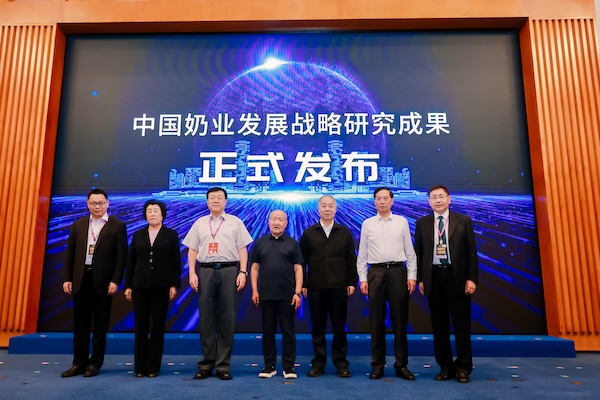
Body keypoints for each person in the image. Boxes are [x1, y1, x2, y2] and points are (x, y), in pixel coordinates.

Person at [182, 187, 253, 380]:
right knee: (206, 319)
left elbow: (243, 249)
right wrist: (192, 273)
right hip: (205, 271)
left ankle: (223, 366)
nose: (216, 200)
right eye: (212, 198)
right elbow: (192, 250)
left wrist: (243, 272)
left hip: (229, 270)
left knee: (227, 318)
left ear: (225, 202)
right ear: (207, 202)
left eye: (219, 198)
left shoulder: (235, 222)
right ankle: (206, 364)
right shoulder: (199, 223)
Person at [415, 185, 478, 384]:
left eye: (441, 196)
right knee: (439, 325)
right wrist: (421, 279)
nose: (438, 200)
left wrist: (471, 278)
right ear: (429, 202)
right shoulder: (422, 223)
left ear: (449, 199)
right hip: (434, 277)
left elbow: (471, 252)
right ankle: (445, 366)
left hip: (456, 277)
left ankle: (463, 368)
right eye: (434, 197)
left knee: (461, 325)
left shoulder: (463, 221)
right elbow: (419, 253)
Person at [61, 188, 128, 378]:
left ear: (107, 203)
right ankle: (79, 363)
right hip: (81, 279)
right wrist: (67, 278)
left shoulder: (117, 226)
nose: (97, 206)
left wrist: (115, 280)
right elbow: (70, 254)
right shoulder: (78, 225)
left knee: (100, 325)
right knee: (80, 325)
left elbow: (121, 257)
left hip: (104, 282)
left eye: (101, 203)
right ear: (88, 204)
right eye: (93, 203)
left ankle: (95, 363)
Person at [356, 186, 417, 380]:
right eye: (378, 199)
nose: (382, 202)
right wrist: (363, 278)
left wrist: (412, 276)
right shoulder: (367, 224)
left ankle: (401, 365)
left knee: (400, 321)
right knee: (376, 321)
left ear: (392, 201)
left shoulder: (401, 221)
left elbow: (410, 251)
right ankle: (377, 365)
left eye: (385, 198)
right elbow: (362, 254)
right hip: (376, 273)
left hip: (398, 271)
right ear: (374, 201)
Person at [299, 195, 357, 378]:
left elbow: (351, 259)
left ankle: (341, 363)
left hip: (339, 286)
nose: (327, 209)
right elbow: (302, 262)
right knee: (318, 327)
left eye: (330, 206)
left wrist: (351, 282)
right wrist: (303, 284)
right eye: (323, 206)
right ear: (318, 209)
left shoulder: (344, 232)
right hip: (315, 287)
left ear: (335, 209)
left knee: (339, 326)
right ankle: (318, 363)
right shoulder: (309, 233)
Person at [124, 200, 181, 378]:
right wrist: (128, 285)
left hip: (161, 286)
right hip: (139, 285)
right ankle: (140, 367)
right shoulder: (138, 234)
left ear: (163, 214)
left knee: (157, 327)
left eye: (156, 210)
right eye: (149, 211)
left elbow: (175, 261)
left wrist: (173, 284)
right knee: (140, 326)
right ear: (145, 214)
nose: (153, 213)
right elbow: (131, 261)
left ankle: (153, 367)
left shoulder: (171, 234)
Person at [250, 210, 303, 380]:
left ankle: (288, 367)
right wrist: (254, 290)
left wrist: (297, 292)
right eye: (274, 219)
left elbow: (298, 269)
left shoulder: (293, 243)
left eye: (280, 220)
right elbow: (254, 268)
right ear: (268, 221)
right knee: (268, 332)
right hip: (266, 294)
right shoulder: (260, 243)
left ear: (286, 223)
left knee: (288, 332)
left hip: (288, 295)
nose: (277, 222)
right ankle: (269, 366)